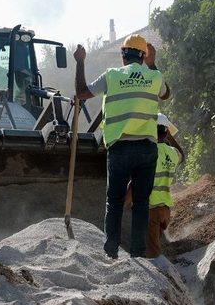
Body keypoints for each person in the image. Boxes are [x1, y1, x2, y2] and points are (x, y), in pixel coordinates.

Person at [74, 34, 171, 258]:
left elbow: (81, 93)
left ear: (123, 55)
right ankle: (137, 254)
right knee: (141, 203)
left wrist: (80, 61)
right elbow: (166, 94)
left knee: (115, 202)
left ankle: (111, 252)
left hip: (119, 148)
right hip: (147, 149)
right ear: (144, 56)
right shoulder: (154, 76)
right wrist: (152, 64)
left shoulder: (112, 76)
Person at [146, 114, 183, 258]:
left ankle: (159, 274)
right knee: (156, 242)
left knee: (153, 249)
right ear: (166, 132)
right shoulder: (173, 154)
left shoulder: (149, 151)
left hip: (152, 207)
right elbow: (181, 154)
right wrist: (169, 134)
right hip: (166, 209)